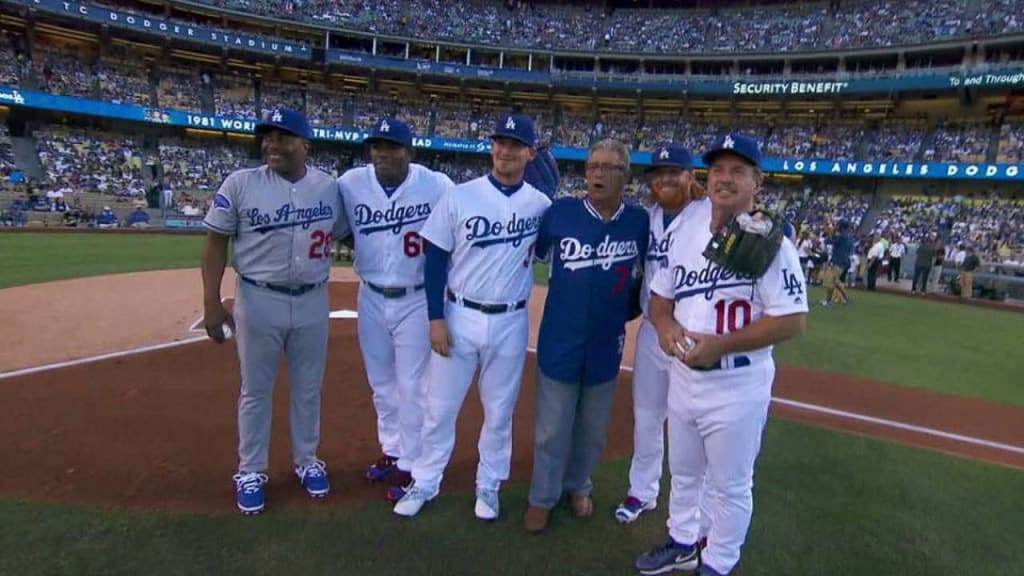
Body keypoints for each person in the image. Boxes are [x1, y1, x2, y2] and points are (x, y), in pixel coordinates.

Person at [635, 133, 808, 576]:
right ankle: (682, 543)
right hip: (684, 375)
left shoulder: (772, 243)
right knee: (685, 473)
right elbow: (661, 297)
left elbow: (792, 320)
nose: (724, 179)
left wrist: (722, 344)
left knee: (730, 485)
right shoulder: (686, 229)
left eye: (737, 171)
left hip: (737, 381)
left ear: (757, 183)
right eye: (717, 170)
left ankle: (719, 563)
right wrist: (667, 326)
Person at [392, 113, 552, 520]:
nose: (505, 150)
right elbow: (435, 260)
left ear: (529, 153)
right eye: (500, 141)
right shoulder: (460, 196)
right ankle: (426, 480)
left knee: (499, 412)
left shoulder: (540, 204)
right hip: (460, 313)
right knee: (440, 408)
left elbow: (548, 252)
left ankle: (489, 485)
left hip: (511, 321)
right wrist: (435, 317)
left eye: (515, 144)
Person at [200, 108, 350, 515]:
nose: (271, 144)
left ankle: (307, 461)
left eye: (282, 137)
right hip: (258, 297)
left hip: (313, 298)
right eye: (266, 137)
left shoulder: (329, 188)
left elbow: (348, 234)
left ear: (305, 144)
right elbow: (215, 242)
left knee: (308, 388)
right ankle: (250, 470)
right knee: (256, 389)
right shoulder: (241, 183)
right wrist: (212, 302)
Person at [521, 139, 649, 534]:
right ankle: (542, 497)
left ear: (625, 176)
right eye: (592, 166)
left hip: (605, 343)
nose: (597, 173)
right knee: (551, 428)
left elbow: (644, 277)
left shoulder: (639, 222)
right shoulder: (560, 213)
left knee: (592, 429)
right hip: (561, 337)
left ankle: (579, 486)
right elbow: (535, 253)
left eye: (608, 167)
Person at [336, 118, 455, 500]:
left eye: (391, 146)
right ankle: (393, 450)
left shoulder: (437, 185)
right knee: (382, 384)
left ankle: (414, 462)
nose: (382, 154)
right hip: (370, 294)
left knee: (412, 386)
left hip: (417, 297)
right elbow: (339, 228)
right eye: (377, 147)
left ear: (410, 151)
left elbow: (459, 229)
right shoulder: (351, 183)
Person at [614, 143, 707, 527]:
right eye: (659, 172)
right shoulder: (646, 217)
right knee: (647, 416)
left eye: (675, 171)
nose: (666, 178)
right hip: (654, 331)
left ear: (690, 176)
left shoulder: (707, 213)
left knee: (693, 422)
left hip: (695, 334)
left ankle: (694, 507)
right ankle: (642, 491)